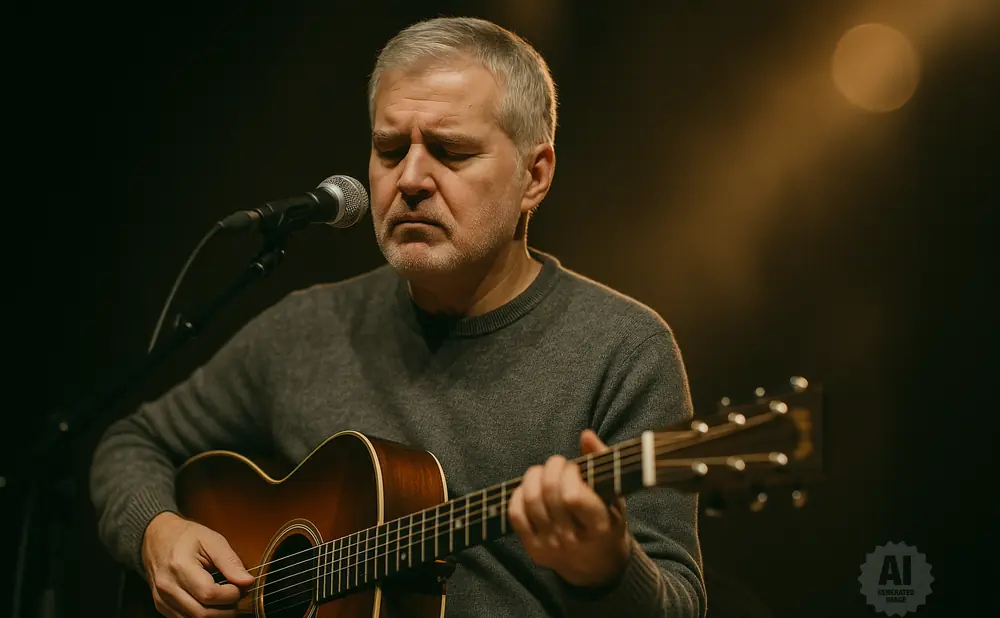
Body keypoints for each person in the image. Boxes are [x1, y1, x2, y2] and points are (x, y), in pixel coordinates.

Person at [90, 16, 707, 618]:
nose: (410, 179)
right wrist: (156, 531)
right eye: (389, 150)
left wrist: (606, 570)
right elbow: (130, 442)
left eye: (450, 150)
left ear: (534, 177)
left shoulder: (622, 348)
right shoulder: (307, 328)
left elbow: (681, 603)